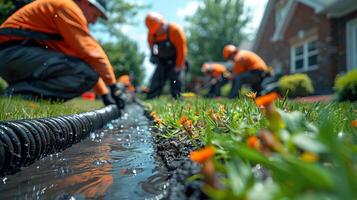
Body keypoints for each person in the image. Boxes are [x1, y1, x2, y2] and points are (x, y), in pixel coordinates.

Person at [0, 0, 124, 108]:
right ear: (86, 2)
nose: (94, 22)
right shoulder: (67, 7)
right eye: (95, 15)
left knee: (85, 71)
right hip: (12, 53)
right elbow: (92, 52)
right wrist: (113, 87)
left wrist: (104, 94)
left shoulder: (64, 19)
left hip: (14, 56)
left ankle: (21, 91)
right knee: (85, 75)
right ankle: (18, 93)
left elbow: (85, 60)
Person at [145, 12, 187, 99]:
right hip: (162, 60)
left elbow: (182, 50)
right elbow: (153, 47)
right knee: (156, 81)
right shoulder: (151, 34)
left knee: (175, 80)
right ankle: (152, 98)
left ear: (162, 23)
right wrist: (154, 55)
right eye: (155, 30)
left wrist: (179, 65)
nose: (157, 32)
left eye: (158, 29)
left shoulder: (175, 31)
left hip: (175, 60)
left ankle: (177, 98)